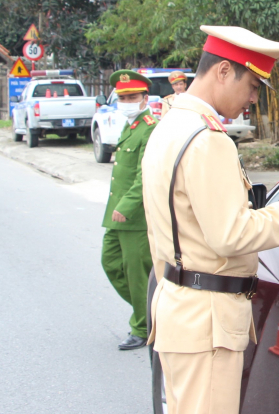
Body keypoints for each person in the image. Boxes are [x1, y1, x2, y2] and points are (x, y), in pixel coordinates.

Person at [142, 25, 279, 414]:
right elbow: (230, 234)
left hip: (179, 307)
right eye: (253, 85)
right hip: (206, 319)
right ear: (224, 71)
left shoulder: (170, 125)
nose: (253, 98)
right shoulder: (207, 139)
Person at [101, 69, 158, 350]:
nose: (126, 102)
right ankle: (152, 311)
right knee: (110, 262)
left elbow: (145, 174)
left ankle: (143, 327)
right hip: (117, 215)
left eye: (132, 97)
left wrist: (126, 205)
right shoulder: (131, 126)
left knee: (137, 275)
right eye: (122, 98)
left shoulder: (150, 128)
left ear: (145, 98)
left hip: (134, 216)